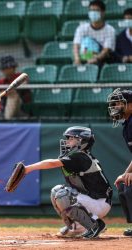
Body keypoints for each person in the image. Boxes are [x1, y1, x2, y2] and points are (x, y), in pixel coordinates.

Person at [23, 126, 112, 239]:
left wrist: (28, 168)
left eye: (71, 138)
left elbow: (51, 163)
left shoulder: (81, 156)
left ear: (81, 141)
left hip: (100, 202)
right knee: (56, 191)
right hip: (93, 200)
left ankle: (96, 225)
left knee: (63, 196)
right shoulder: (79, 156)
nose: (67, 141)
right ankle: (76, 227)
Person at [107, 88, 132, 236]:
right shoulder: (127, 125)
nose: (115, 107)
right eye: (114, 104)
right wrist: (126, 173)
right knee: (124, 183)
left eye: (119, 104)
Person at [73, 0, 116, 65]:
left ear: (103, 13)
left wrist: (96, 58)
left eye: (96, 10)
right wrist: (77, 58)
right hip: (83, 57)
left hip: (101, 59)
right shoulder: (82, 28)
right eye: (91, 10)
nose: (93, 12)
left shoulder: (110, 29)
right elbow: (76, 45)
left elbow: (106, 50)